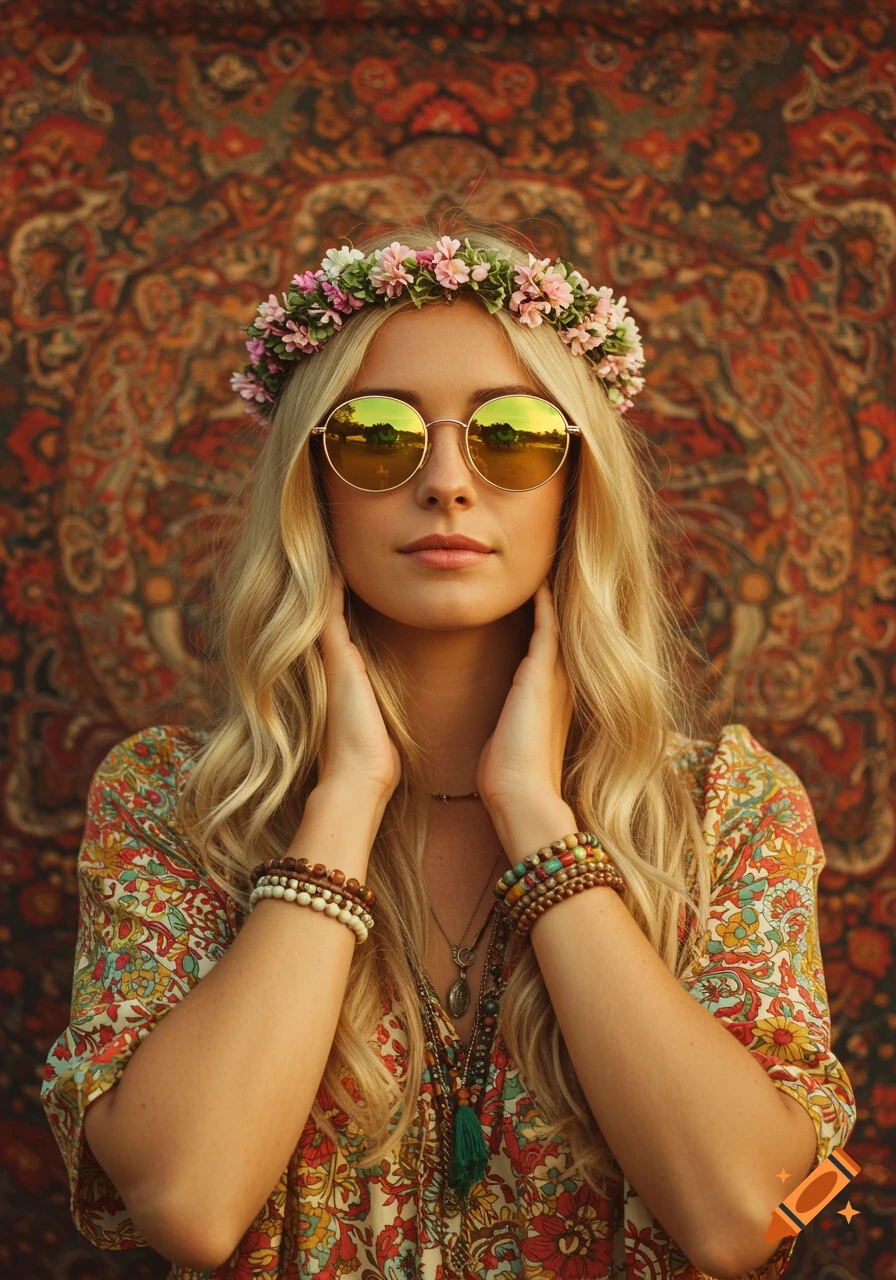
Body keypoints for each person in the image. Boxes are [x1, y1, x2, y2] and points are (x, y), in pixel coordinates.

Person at [41, 217, 856, 1279]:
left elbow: (740, 1217)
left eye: (510, 433)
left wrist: (533, 814)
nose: (446, 482)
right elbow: (188, 1203)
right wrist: (345, 796)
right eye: (375, 436)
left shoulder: (728, 809)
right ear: (313, 487)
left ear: (574, 483)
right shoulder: (172, 802)